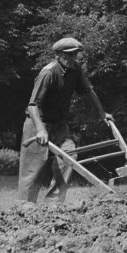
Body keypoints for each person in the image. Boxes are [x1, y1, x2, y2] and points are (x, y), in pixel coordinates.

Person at [17, 36, 111, 203]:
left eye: (74, 55)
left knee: (69, 157)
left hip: (59, 124)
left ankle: (53, 204)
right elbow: (33, 105)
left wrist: (102, 113)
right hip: (38, 123)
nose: (71, 59)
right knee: (33, 169)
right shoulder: (48, 73)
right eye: (67, 55)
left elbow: (88, 90)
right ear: (58, 55)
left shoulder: (75, 69)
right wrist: (40, 129)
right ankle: (24, 208)